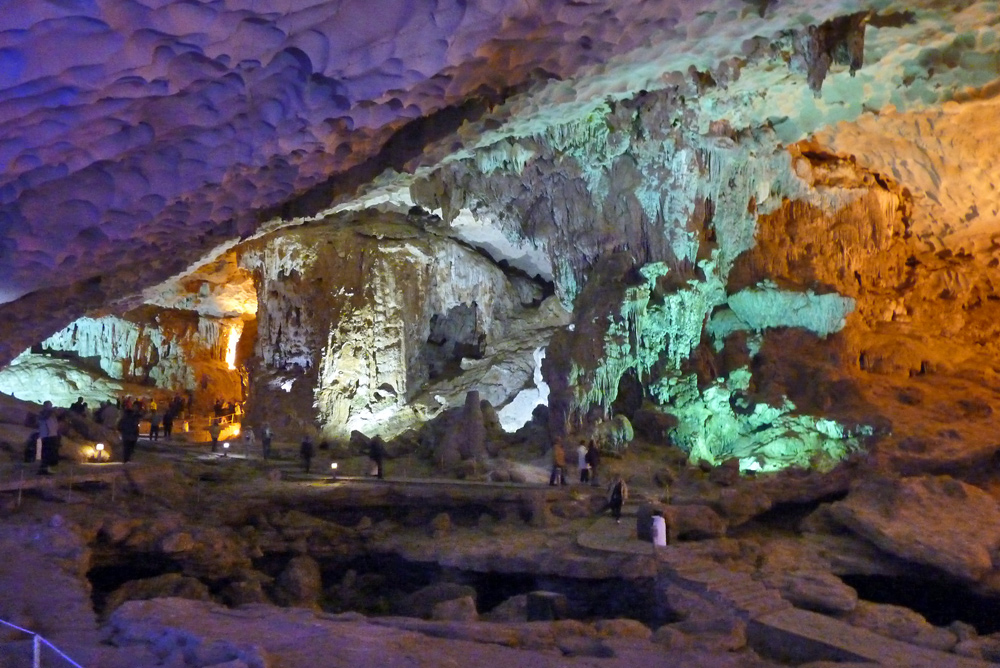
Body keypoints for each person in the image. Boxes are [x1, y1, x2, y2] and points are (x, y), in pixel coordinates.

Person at [36, 401, 60, 475]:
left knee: (51, 453)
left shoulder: (51, 414)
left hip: (52, 435)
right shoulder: (43, 413)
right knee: (46, 453)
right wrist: (51, 411)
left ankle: (47, 468)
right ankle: (44, 469)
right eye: (50, 405)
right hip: (47, 436)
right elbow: (43, 418)